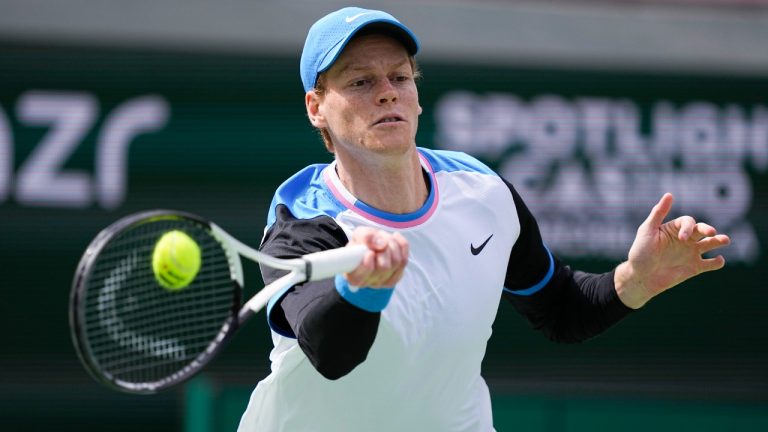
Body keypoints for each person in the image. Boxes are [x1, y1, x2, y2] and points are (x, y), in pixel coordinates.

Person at [237, 7, 731, 432]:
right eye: (360, 82)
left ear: (416, 94)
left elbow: (560, 308)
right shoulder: (301, 221)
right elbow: (331, 354)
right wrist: (364, 288)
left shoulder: (481, 191)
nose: (387, 93)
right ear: (316, 108)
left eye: (400, 77)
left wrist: (635, 280)